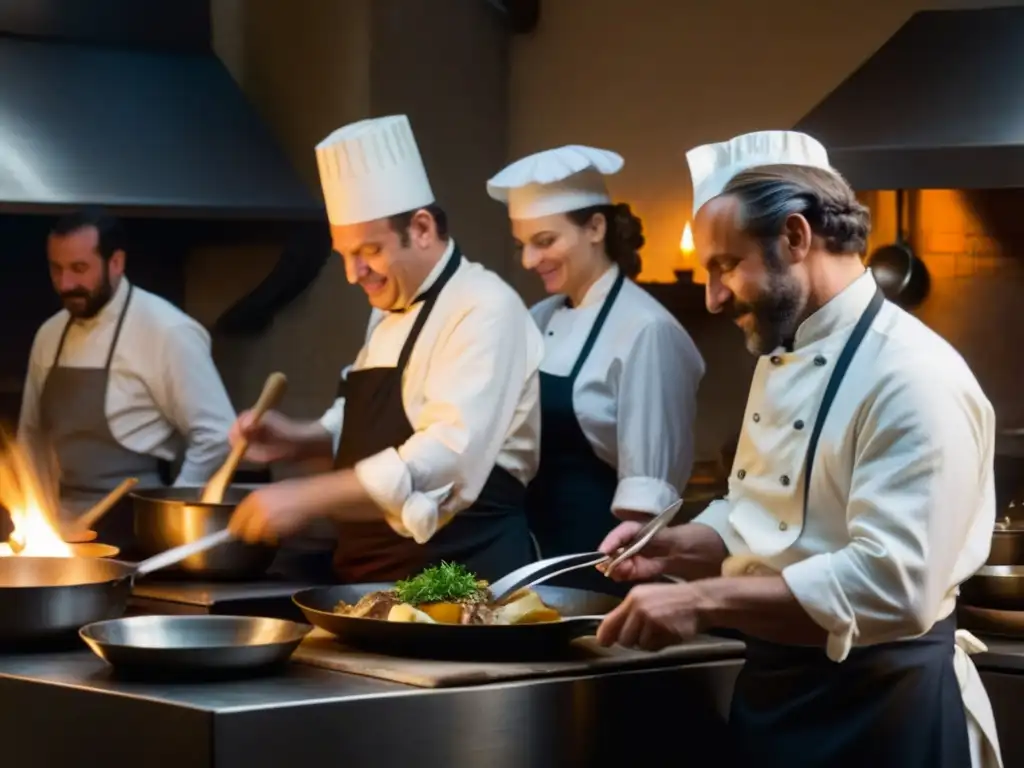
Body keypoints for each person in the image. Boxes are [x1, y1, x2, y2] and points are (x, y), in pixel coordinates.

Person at [595, 130, 1002, 767]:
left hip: (881, 709)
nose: (712, 296)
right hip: (781, 697)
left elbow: (894, 584)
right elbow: (768, 511)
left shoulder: (913, 376)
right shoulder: (783, 344)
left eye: (725, 265)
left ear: (794, 237)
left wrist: (701, 601)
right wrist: (683, 547)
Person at [227, 114, 543, 583]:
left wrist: (307, 496)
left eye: (368, 251)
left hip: (467, 585)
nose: (354, 274)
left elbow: (444, 457)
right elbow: (371, 427)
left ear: (420, 228)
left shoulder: (485, 307)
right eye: (344, 256)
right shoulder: (388, 307)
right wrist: (300, 439)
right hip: (374, 583)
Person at [486, 145, 704, 592]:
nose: (529, 260)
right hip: (530, 553)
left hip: (603, 567)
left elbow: (650, 491)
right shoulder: (539, 317)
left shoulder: (648, 330)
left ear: (596, 228)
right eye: (522, 245)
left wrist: (624, 571)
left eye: (544, 241)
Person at [17, 208, 236, 551]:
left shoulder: (167, 331)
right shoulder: (50, 333)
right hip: (60, 531)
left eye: (79, 269)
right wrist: (34, 523)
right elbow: (30, 437)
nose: (65, 284)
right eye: (56, 269)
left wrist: (172, 516)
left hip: (134, 531)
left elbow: (218, 435)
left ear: (116, 262)